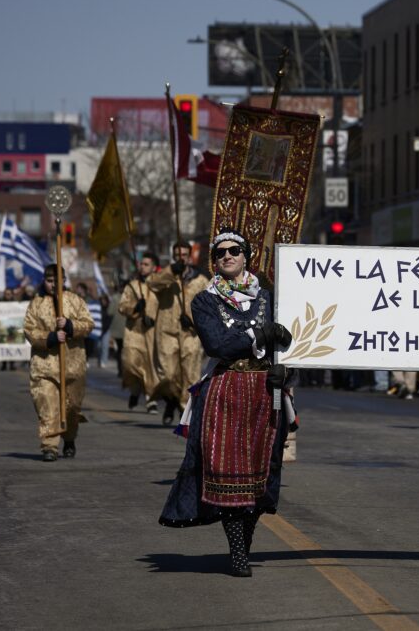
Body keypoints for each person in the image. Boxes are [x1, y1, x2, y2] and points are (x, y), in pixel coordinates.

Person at [159, 229, 294, 577]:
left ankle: (244, 547)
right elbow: (217, 344)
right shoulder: (205, 300)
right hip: (228, 390)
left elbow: (293, 342)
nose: (228, 256)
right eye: (221, 253)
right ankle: (237, 553)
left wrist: (286, 372)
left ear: (247, 255)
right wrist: (256, 335)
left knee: (261, 474)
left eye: (235, 250)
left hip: (267, 390)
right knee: (229, 474)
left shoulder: (270, 296)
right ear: (215, 262)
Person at [23, 265, 95, 462]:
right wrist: (50, 338)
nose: (53, 284)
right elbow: (29, 330)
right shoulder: (36, 304)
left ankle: (69, 439)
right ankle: (50, 446)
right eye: (49, 280)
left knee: (71, 409)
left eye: (57, 280)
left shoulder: (75, 301)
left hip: (73, 366)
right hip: (44, 366)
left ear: (63, 280)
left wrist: (71, 326)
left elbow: (88, 324)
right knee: (47, 406)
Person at [148, 241, 209, 425]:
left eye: (184, 255)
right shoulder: (166, 276)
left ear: (190, 256)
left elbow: (209, 308)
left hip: (191, 333)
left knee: (190, 374)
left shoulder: (201, 281)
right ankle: (171, 399)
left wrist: (194, 321)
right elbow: (152, 284)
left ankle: (186, 412)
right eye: (177, 255)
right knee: (167, 374)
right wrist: (170, 272)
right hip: (167, 331)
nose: (180, 258)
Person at [119, 253, 160, 412]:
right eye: (141, 264)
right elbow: (122, 306)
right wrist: (135, 308)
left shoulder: (159, 285)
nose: (142, 267)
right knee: (130, 364)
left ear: (153, 267)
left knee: (151, 366)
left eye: (146, 264)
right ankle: (135, 390)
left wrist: (155, 319)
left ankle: (151, 399)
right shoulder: (132, 286)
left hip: (152, 332)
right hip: (133, 333)